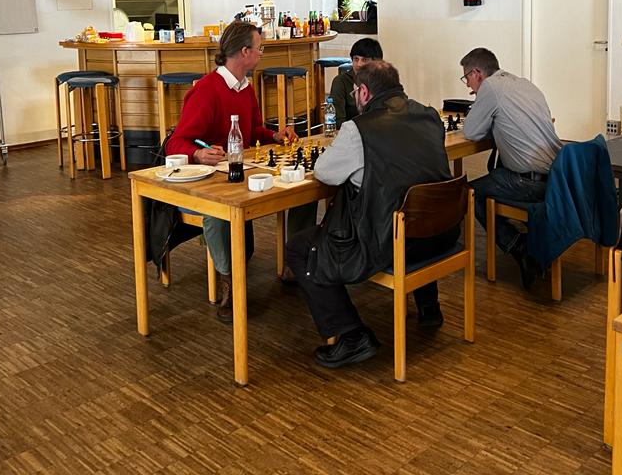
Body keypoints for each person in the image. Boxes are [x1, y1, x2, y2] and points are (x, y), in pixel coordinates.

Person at [285, 61, 457, 368]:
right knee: (413, 203)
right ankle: (429, 307)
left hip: (391, 242)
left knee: (300, 248)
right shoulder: (430, 116)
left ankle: (351, 335)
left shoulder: (359, 129)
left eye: (355, 92)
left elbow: (324, 172)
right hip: (442, 232)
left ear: (364, 92)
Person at [166, 21, 297, 323]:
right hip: (204, 182)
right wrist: (198, 152)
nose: (262, 53)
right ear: (244, 52)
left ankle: (294, 262)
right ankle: (229, 284)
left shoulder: (246, 88)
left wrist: (274, 135)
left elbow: (253, 132)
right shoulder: (206, 90)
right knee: (217, 212)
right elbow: (176, 142)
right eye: (259, 48)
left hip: (235, 174)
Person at [459, 47, 561, 289]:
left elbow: (471, 132)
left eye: (466, 78)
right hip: (557, 178)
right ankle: (532, 244)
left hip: (529, 182)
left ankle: (519, 246)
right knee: (495, 176)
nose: (468, 85)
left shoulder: (490, 88)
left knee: (468, 193)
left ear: (476, 74)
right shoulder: (524, 84)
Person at [329, 37, 383, 127]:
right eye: (356, 59)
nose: (359, 64)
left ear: (376, 62)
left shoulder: (383, 81)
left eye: (364, 60)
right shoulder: (341, 82)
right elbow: (339, 122)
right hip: (351, 131)